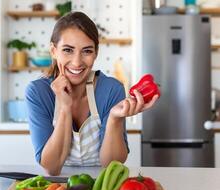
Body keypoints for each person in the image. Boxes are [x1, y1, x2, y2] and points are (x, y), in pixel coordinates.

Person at [25, 11, 158, 175]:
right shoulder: (38, 92)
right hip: (57, 186)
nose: (77, 62)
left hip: (103, 185)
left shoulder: (111, 89)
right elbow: (52, 167)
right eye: (68, 50)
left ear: (96, 53)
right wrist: (65, 108)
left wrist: (114, 119)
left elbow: (112, 163)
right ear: (53, 50)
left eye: (87, 51)